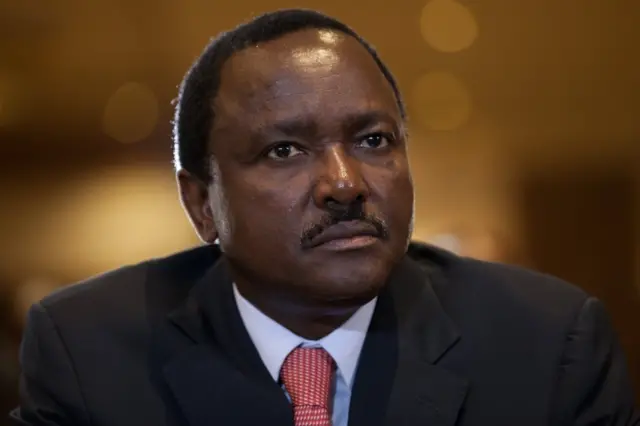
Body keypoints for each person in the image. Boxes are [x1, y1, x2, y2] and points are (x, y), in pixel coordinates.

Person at [10, 8, 639, 426]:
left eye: (373, 141)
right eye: (284, 151)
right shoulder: (87, 353)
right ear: (203, 204)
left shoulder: (550, 343)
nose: (344, 184)